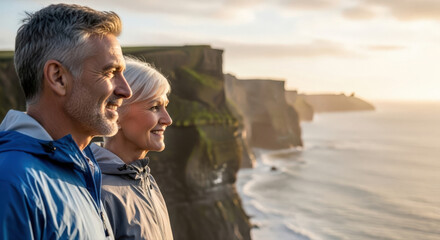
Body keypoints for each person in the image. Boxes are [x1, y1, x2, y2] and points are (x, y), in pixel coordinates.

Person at [0, 4, 132, 239]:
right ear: (58, 78)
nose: (126, 90)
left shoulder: (83, 167)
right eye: (111, 72)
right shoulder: (10, 181)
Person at [90, 56, 174, 240]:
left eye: (165, 107)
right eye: (154, 107)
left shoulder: (147, 181)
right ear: (115, 114)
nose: (168, 120)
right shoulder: (98, 192)